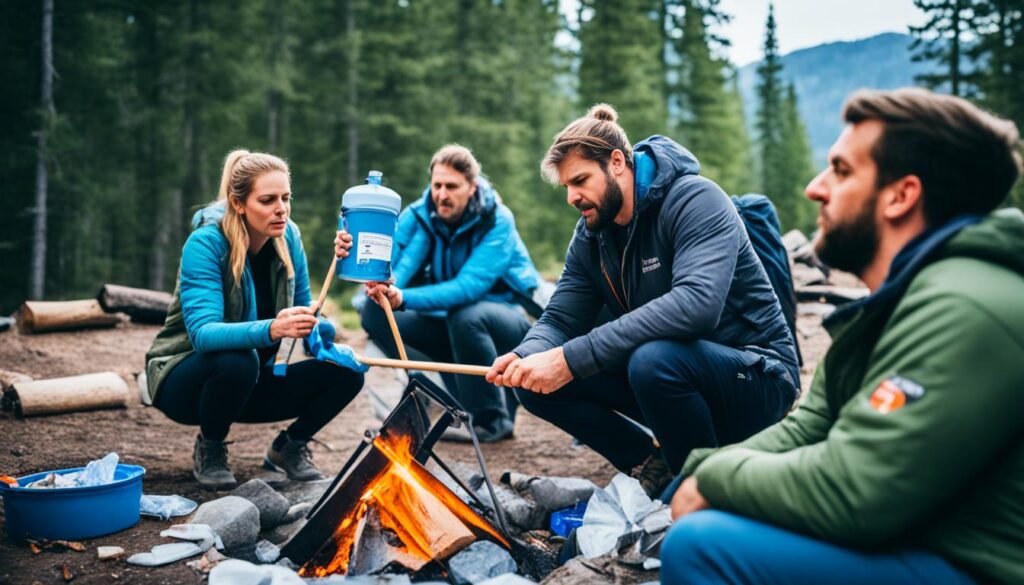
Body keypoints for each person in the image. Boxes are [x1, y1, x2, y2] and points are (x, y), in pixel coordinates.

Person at [660, 88, 1024, 585]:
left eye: (842, 170)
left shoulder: (964, 304)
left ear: (901, 196)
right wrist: (703, 468)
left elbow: (854, 491)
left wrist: (713, 481)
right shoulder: (894, 305)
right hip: (930, 536)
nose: (815, 187)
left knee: (702, 548)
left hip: (979, 564)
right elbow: (810, 428)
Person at [487, 104, 800, 497]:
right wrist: (527, 355)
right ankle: (652, 465)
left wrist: (571, 358)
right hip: (672, 379)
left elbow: (696, 305)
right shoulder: (592, 236)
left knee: (653, 360)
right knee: (534, 380)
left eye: (580, 180)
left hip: (755, 376)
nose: (571, 197)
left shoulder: (694, 200)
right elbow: (561, 319)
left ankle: (703, 488)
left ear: (617, 162)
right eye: (566, 186)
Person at [145, 150, 365, 490]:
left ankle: (287, 448)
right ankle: (211, 447)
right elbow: (203, 334)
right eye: (268, 200)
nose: (281, 209)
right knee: (238, 359)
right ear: (238, 203)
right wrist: (274, 328)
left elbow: (305, 308)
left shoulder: (289, 237)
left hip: (252, 380)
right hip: (186, 382)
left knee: (348, 371)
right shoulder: (205, 244)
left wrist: (318, 331)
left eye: (286, 198)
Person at [360, 144, 542, 442]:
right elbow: (391, 258)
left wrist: (404, 298)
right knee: (374, 311)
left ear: (472, 187)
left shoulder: (497, 220)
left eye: (452, 186)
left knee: (466, 315)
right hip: (453, 322)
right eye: (437, 185)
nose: (442, 194)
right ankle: (443, 397)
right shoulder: (422, 214)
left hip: (506, 321)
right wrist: (380, 281)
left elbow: (469, 288)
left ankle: (493, 421)